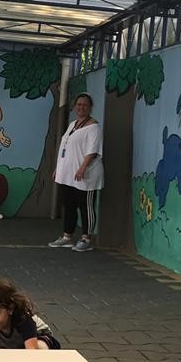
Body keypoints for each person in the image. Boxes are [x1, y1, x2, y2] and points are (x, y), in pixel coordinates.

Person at [49, 92, 104, 252]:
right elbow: (66, 148)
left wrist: (82, 167)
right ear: (74, 107)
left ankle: (86, 238)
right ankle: (67, 236)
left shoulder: (94, 127)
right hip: (68, 175)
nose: (81, 107)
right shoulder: (73, 124)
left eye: (85, 105)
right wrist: (59, 168)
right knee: (69, 205)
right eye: (79, 104)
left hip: (85, 175)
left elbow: (92, 151)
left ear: (90, 107)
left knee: (86, 206)